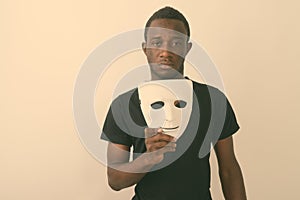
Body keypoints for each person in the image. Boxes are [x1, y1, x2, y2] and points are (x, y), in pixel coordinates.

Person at [101, 6, 247, 200]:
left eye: (176, 42)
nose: (165, 51)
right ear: (145, 49)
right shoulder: (124, 105)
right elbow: (115, 180)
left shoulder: (212, 100)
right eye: (157, 42)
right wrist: (149, 158)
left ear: (187, 48)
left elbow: (229, 169)